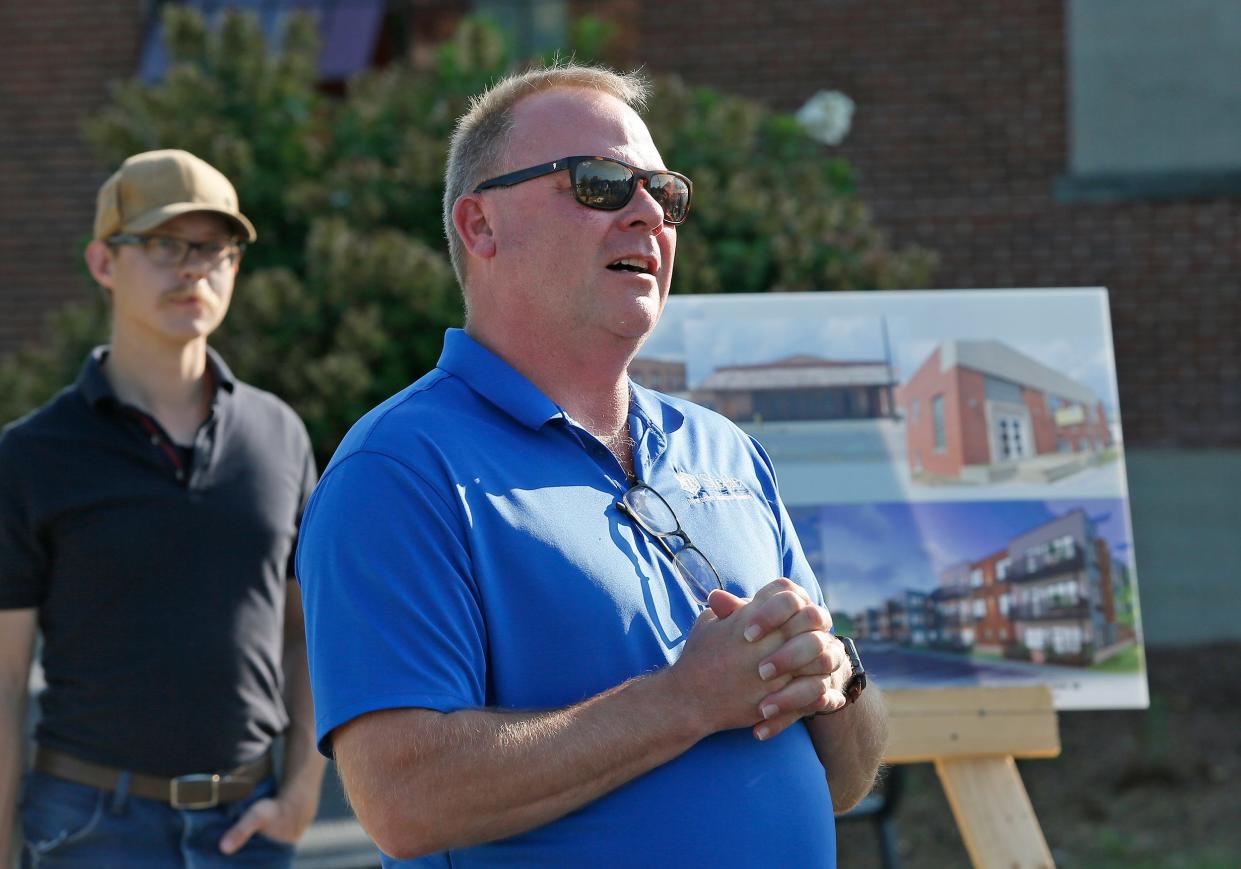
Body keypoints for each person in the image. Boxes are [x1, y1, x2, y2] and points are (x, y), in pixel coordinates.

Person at [297, 65, 888, 867]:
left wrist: (834, 677)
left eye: (665, 193)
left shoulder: (724, 448)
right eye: (601, 183)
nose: (647, 212)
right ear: (479, 226)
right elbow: (402, 798)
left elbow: (845, 781)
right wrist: (684, 700)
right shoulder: (398, 469)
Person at [0, 149, 326, 867]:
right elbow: (3, 673)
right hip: (85, 827)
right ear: (102, 262)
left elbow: (307, 631)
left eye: (215, 248)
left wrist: (303, 787)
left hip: (248, 826)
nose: (193, 267)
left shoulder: (279, 435)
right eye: (162, 244)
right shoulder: (32, 453)